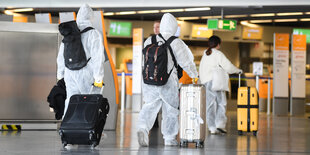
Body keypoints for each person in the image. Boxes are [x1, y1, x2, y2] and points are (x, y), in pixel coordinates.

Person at [137, 13, 198, 146]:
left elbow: (144, 61)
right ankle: (169, 138)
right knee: (170, 109)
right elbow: (186, 62)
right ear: (173, 26)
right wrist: (194, 75)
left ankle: (142, 127)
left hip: (149, 81)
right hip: (168, 81)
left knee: (149, 106)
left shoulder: (149, 40)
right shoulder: (176, 42)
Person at [57, 4, 105, 116]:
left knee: (70, 101)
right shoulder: (93, 34)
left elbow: (61, 56)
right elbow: (98, 57)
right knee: (88, 102)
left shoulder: (69, 34)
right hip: (86, 74)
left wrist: (60, 74)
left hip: (69, 73)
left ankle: (67, 129)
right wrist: (98, 77)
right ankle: (88, 130)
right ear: (90, 17)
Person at [199, 35, 242, 134]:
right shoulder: (218, 54)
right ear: (218, 44)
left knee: (209, 105)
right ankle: (220, 125)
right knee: (221, 103)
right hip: (215, 81)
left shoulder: (205, 54)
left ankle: (212, 127)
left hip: (205, 82)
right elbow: (228, 67)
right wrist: (238, 70)